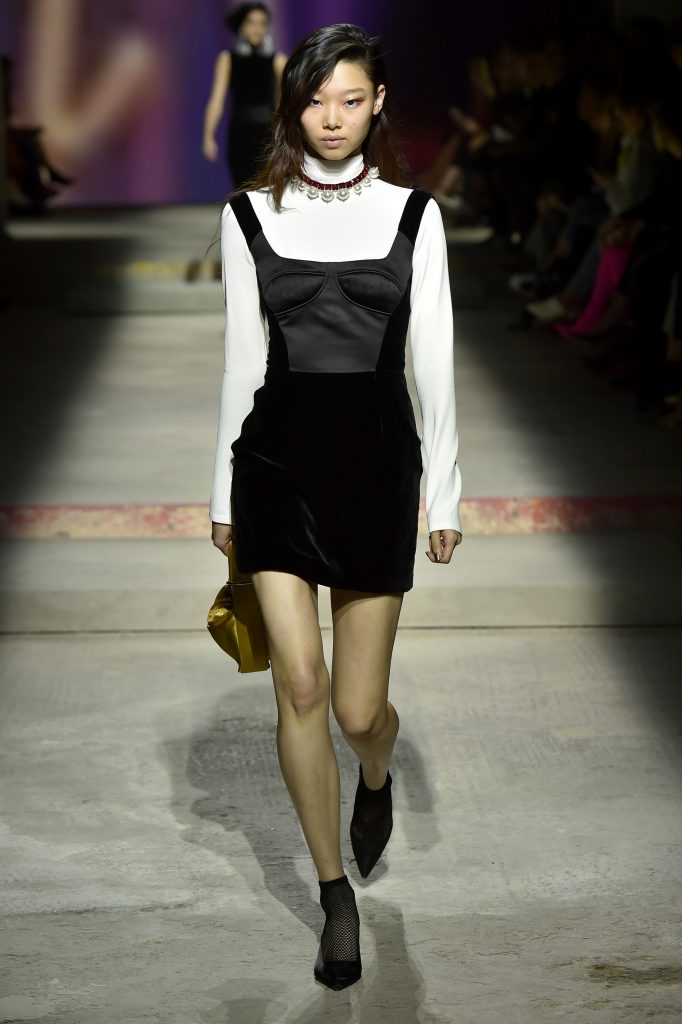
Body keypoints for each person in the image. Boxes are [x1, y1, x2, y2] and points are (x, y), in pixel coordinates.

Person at [209, 23, 463, 991]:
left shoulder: (414, 215)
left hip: (376, 469)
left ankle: (375, 771)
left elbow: (433, 360)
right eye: (315, 100)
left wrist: (444, 493)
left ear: (378, 103)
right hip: (275, 465)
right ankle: (333, 895)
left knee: (358, 710)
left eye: (350, 99)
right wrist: (221, 495)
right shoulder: (248, 213)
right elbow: (241, 362)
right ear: (292, 104)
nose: (331, 118)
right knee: (302, 685)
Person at [202, 2, 287, 187]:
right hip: (239, 134)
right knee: (241, 187)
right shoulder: (228, 59)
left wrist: (284, 135)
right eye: (251, 22)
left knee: (266, 188)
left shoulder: (278, 61)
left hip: (267, 135)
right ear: (241, 26)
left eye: (262, 23)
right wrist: (208, 136)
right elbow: (217, 100)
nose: (256, 28)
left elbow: (284, 102)